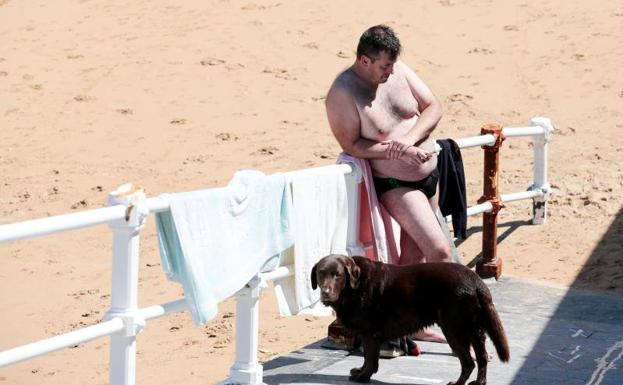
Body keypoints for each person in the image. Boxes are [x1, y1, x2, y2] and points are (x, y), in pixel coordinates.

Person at [325, 25, 452, 345]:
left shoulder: (398, 71)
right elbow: (351, 144)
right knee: (438, 251)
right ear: (364, 61)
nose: (390, 72)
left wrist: (407, 142)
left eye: (393, 65)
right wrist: (394, 151)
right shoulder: (342, 93)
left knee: (414, 256)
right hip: (396, 183)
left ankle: (411, 324)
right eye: (384, 67)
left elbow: (433, 106)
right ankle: (456, 326)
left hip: (429, 174)